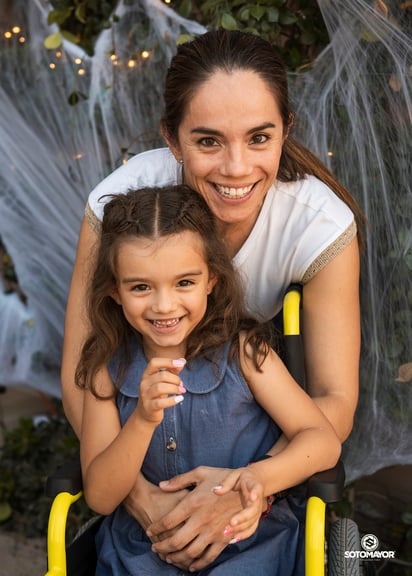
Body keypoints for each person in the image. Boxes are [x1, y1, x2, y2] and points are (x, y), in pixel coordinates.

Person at [62, 29, 364, 571]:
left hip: (245, 472)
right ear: (172, 141)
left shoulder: (317, 227)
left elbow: (332, 405)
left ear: (285, 131)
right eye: (207, 141)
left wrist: (244, 489)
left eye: (258, 138)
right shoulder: (122, 209)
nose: (235, 168)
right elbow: (79, 378)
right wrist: (147, 500)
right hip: (142, 493)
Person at [78, 184, 341, 575]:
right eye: (140, 287)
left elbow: (321, 439)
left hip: (251, 542)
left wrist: (254, 479)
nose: (164, 305)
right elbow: (100, 495)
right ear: (115, 290)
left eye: (184, 282)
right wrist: (142, 420)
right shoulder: (107, 367)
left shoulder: (246, 353)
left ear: (212, 280)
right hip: (145, 549)